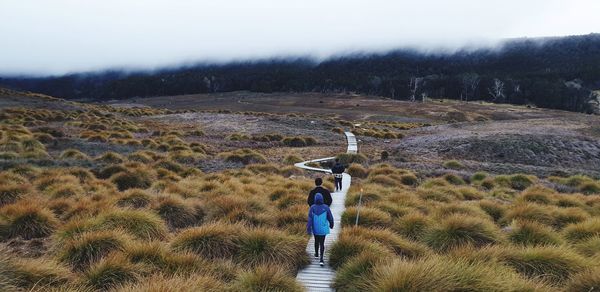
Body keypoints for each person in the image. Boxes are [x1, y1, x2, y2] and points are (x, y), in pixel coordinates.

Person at [307, 193, 334, 266]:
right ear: (322, 199)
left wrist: (308, 229)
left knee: (316, 241)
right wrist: (331, 225)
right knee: (322, 243)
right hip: (323, 228)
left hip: (315, 228)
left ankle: (316, 254)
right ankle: (321, 259)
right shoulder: (326, 207)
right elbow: (330, 218)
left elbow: (309, 219)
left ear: (315, 199)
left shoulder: (312, 207)